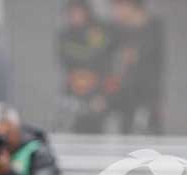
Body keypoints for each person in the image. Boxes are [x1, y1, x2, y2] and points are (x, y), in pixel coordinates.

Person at [107, 0, 165, 134]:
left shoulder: (153, 29)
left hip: (147, 98)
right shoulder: (116, 31)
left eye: (118, 6)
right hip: (125, 99)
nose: (115, 12)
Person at [57, 0, 115, 133]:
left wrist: (102, 94)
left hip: (96, 92)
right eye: (70, 13)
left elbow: (102, 61)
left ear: (86, 13)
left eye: (77, 12)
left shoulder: (97, 33)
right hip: (73, 93)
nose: (74, 16)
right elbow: (66, 64)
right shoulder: (65, 35)